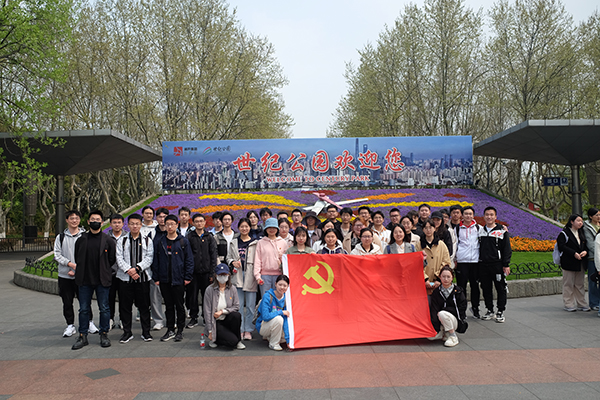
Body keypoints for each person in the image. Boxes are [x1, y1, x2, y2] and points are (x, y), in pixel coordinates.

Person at [71, 210, 117, 350]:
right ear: (88, 222)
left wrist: (104, 270)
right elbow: (77, 257)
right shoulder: (81, 239)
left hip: (102, 280)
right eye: (92, 219)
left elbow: (111, 259)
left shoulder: (108, 240)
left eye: (98, 219)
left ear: (102, 222)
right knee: (84, 309)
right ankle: (82, 335)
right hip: (85, 280)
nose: (95, 222)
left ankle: (104, 334)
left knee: (104, 308)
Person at [151, 214, 194, 342]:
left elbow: (189, 260)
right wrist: (156, 277)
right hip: (164, 279)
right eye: (167, 224)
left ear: (177, 225)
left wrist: (187, 277)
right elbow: (156, 260)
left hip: (179, 279)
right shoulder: (160, 241)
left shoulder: (183, 241)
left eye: (172, 224)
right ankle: (170, 329)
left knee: (179, 305)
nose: (169, 227)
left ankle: (180, 330)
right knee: (169, 306)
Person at [115, 213, 154, 343]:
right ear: (128, 225)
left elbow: (149, 258)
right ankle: (127, 332)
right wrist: (129, 270)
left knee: (144, 306)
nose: (135, 226)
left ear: (141, 224)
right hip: (125, 279)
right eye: (132, 224)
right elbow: (119, 258)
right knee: (125, 307)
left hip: (142, 278)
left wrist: (137, 268)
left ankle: (146, 332)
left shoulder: (147, 240)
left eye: (137, 224)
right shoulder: (122, 240)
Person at [54, 210, 87, 338]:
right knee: (67, 301)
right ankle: (70, 325)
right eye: (72, 218)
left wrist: (78, 268)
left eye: (77, 218)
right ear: (67, 220)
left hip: (82, 275)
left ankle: (88, 322)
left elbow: (89, 254)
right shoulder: (61, 237)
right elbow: (57, 254)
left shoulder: (85, 236)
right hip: (65, 275)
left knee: (85, 301)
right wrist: (70, 264)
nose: (74, 220)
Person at [227, 218, 259, 340]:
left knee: (250, 305)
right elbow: (228, 257)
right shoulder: (234, 242)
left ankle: (248, 330)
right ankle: (239, 329)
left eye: (246, 226)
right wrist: (232, 262)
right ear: (238, 228)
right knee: (238, 305)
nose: (244, 229)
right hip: (237, 276)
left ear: (250, 228)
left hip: (250, 275)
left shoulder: (255, 243)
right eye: (242, 226)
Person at [478, 206, 512, 322]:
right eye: (487, 215)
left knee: (500, 288)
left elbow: (507, 249)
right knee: (486, 288)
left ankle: (500, 311)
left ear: (495, 217)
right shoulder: (480, 231)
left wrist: (506, 264)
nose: (489, 217)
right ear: (484, 216)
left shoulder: (502, 231)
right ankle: (489, 310)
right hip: (483, 265)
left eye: (491, 215)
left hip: (497, 265)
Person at [186, 213, 218, 328]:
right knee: (192, 296)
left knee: (207, 296)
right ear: (193, 223)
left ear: (205, 222)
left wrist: (212, 273)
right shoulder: (189, 237)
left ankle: (206, 317)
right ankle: (193, 317)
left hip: (206, 273)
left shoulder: (209, 237)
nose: (199, 223)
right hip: (193, 273)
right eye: (197, 221)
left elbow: (213, 255)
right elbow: (187, 256)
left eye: (201, 221)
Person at [203, 264, 245, 349]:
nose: (222, 277)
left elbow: (236, 306)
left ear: (228, 275)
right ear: (216, 275)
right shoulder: (209, 290)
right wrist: (210, 331)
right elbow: (207, 311)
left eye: (224, 275)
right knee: (232, 342)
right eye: (220, 275)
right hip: (216, 322)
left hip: (227, 318)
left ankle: (238, 340)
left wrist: (222, 311)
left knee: (236, 315)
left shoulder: (232, 288)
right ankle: (216, 339)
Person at [428, 266, 467, 347]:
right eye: (443, 276)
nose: (446, 279)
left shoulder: (458, 291)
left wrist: (446, 311)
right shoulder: (436, 292)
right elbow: (434, 309)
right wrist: (436, 327)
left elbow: (462, 308)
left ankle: (453, 336)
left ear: (452, 277)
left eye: (448, 277)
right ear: (440, 277)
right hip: (440, 320)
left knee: (442, 313)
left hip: (454, 320)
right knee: (430, 337)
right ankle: (444, 332)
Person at [454, 206, 482, 319]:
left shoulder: (479, 228)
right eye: (466, 213)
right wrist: (455, 259)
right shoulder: (457, 229)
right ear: (462, 215)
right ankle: (462, 310)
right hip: (462, 261)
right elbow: (455, 244)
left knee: (475, 286)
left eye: (470, 214)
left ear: (473, 215)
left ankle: (475, 308)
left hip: (475, 261)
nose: (468, 216)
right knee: (461, 287)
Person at [558, 214, 589, 312]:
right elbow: (561, 246)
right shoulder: (564, 233)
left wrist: (585, 252)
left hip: (580, 262)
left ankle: (581, 303)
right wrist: (573, 253)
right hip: (569, 262)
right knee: (568, 284)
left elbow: (585, 245)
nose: (580, 223)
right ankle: (568, 303)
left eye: (581, 221)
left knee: (580, 284)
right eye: (578, 221)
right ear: (572, 222)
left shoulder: (581, 233)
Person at [254, 218, 289, 296]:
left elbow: (286, 260)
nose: (271, 230)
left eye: (274, 227)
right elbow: (257, 260)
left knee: (278, 298)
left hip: (279, 275)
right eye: (269, 227)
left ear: (277, 229)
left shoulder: (283, 242)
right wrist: (257, 276)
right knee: (266, 298)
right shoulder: (261, 242)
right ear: (266, 229)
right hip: (265, 276)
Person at [256, 274, 290, 351]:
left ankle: (270, 337)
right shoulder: (267, 296)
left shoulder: (286, 299)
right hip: (263, 325)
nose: (282, 287)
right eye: (280, 285)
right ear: (275, 284)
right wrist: (281, 312)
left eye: (285, 285)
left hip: (276, 325)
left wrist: (288, 340)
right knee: (279, 319)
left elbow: (285, 320)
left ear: (288, 287)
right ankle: (274, 344)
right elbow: (265, 316)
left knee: (287, 337)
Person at [149, 208, 169, 331]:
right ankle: (158, 320)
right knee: (155, 298)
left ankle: (171, 319)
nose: (162, 219)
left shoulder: (174, 233)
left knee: (171, 298)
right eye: (160, 217)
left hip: (171, 271)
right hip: (155, 270)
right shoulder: (152, 234)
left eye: (164, 216)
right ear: (156, 218)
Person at [421, 218, 451, 290]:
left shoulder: (441, 245)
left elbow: (446, 262)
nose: (428, 230)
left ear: (434, 228)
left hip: (439, 283)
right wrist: (425, 279)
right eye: (426, 228)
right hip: (423, 283)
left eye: (430, 227)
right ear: (423, 230)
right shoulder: (418, 245)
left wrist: (439, 278)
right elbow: (416, 265)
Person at [107, 214, 125, 331]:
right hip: (110, 273)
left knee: (124, 298)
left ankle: (123, 319)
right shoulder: (106, 238)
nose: (117, 225)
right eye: (114, 222)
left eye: (119, 222)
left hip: (124, 273)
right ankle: (110, 319)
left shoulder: (127, 237)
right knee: (110, 297)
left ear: (123, 224)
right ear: (110, 224)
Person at [583, 207, 600, 310]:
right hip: (593, 258)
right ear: (590, 216)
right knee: (593, 281)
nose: (599, 217)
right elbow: (591, 244)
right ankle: (594, 303)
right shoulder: (587, 228)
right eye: (596, 215)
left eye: (599, 215)